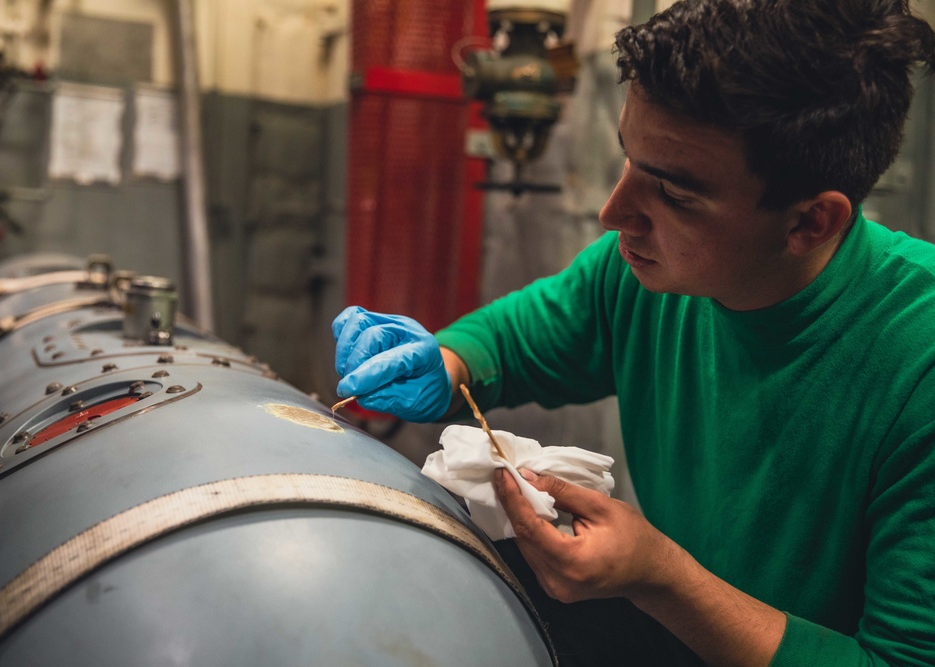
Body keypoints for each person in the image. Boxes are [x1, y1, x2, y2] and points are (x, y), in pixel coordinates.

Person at [332, 1, 935, 665]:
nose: (615, 213)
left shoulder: (917, 363)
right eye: (629, 160)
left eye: (675, 195)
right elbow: (507, 342)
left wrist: (664, 579)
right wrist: (443, 363)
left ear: (811, 223)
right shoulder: (639, 277)